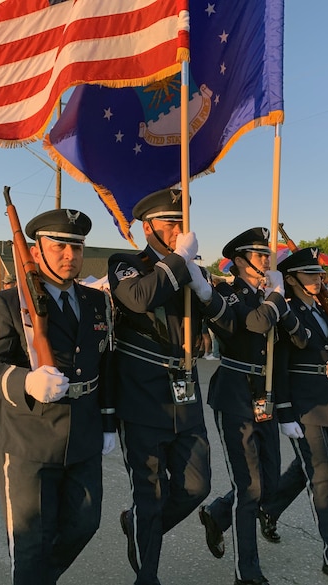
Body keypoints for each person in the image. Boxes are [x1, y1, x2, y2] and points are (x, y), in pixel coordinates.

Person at [0, 208, 116, 585]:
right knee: (31, 543)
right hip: (28, 439)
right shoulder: (7, 303)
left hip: (83, 433)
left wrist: (107, 423)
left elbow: (106, 364)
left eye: (77, 247)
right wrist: (26, 381)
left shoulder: (96, 301)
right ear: (36, 251)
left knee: (85, 523)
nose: (70, 256)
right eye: (59, 247)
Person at [107, 188, 233, 585]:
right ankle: (147, 576)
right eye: (171, 222)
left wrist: (206, 291)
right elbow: (140, 299)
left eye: (183, 222)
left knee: (196, 486)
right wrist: (180, 261)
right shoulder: (127, 263)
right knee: (149, 493)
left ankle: (141, 528)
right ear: (149, 227)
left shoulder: (194, 269)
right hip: (142, 396)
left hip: (186, 392)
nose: (180, 229)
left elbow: (229, 326)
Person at [198, 228, 306, 585]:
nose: (266, 260)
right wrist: (276, 297)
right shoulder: (225, 292)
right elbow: (253, 324)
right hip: (234, 393)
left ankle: (217, 513)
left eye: (267, 254)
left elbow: (300, 337)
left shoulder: (272, 295)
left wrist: (281, 300)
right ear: (239, 259)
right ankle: (247, 572)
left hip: (267, 394)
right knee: (249, 488)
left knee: (270, 482)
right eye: (259, 255)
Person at [260, 247, 328, 585]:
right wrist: (284, 411)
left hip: (326, 403)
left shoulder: (323, 310)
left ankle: (238, 510)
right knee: (323, 476)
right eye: (310, 275)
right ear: (290, 279)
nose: (318, 279)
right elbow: (277, 366)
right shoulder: (287, 313)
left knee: (299, 471)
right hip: (302, 408)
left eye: (319, 274)